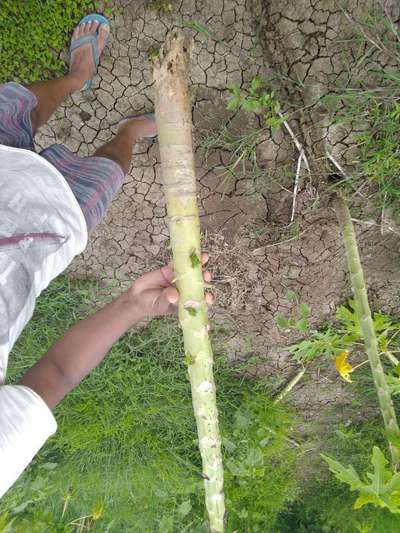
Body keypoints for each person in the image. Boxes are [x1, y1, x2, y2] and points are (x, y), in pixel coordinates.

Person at [0, 14, 213, 497]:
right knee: (106, 173)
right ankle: (130, 134)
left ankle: (77, 78)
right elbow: (55, 374)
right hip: (42, 229)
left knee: (16, 107)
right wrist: (134, 304)